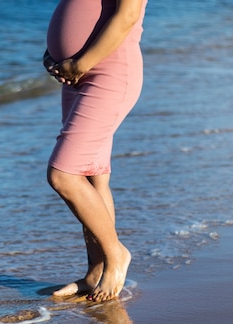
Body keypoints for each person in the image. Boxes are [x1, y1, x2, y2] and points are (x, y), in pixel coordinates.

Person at [43, 0, 146, 302]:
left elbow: (126, 15)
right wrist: (55, 54)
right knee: (92, 175)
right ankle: (94, 273)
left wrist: (79, 62)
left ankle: (117, 255)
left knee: (63, 175)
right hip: (78, 73)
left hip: (107, 73)